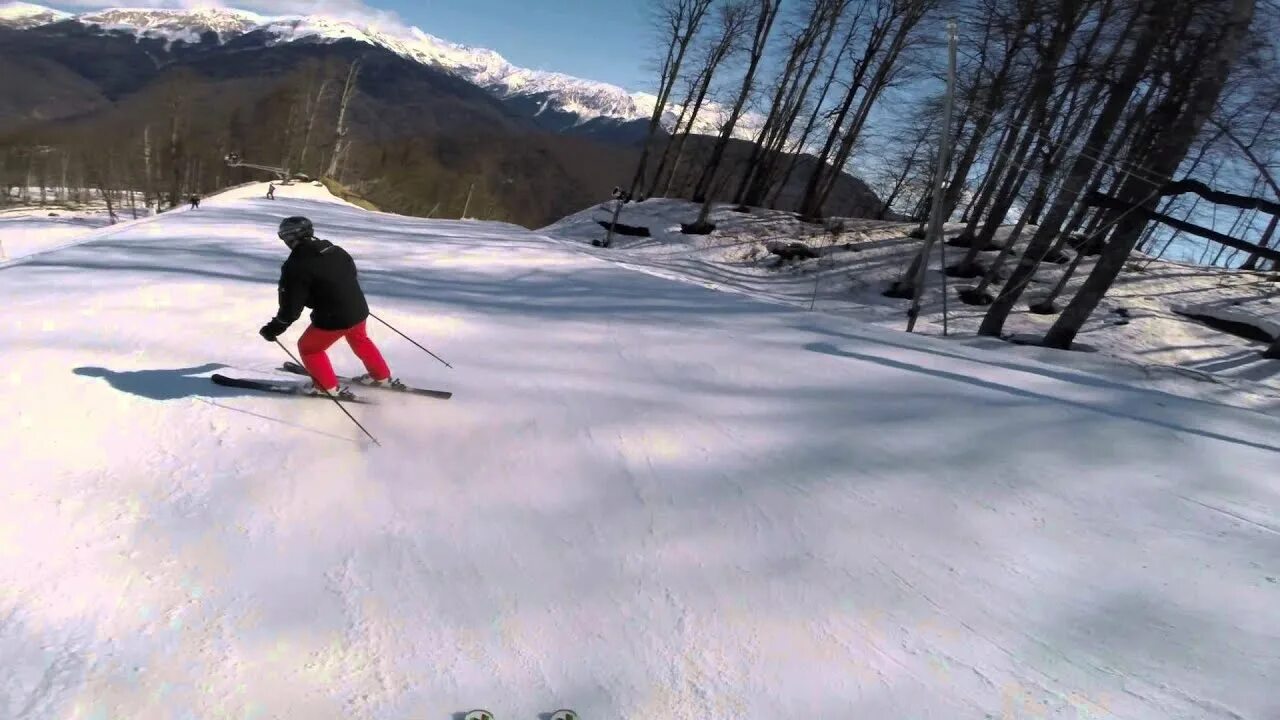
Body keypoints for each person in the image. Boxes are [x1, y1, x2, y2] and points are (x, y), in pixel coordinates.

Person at [258, 216, 394, 396]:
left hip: (335, 317)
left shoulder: (296, 265)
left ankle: (326, 387)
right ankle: (381, 376)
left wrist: (275, 327)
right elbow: (349, 274)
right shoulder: (335, 250)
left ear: (291, 237)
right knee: (359, 338)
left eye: (284, 236)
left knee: (309, 348)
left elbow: (291, 307)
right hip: (358, 309)